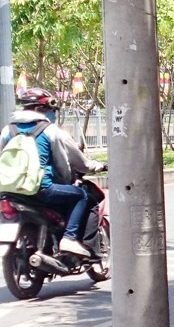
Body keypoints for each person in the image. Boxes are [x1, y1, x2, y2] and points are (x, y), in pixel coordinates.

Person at [0, 88, 105, 257]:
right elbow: (65, 163)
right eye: (52, 110)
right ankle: (69, 239)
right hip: (41, 189)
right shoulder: (50, 131)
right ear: (44, 108)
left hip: (10, 191)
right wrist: (70, 180)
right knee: (82, 196)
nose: (53, 114)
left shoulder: (7, 130)